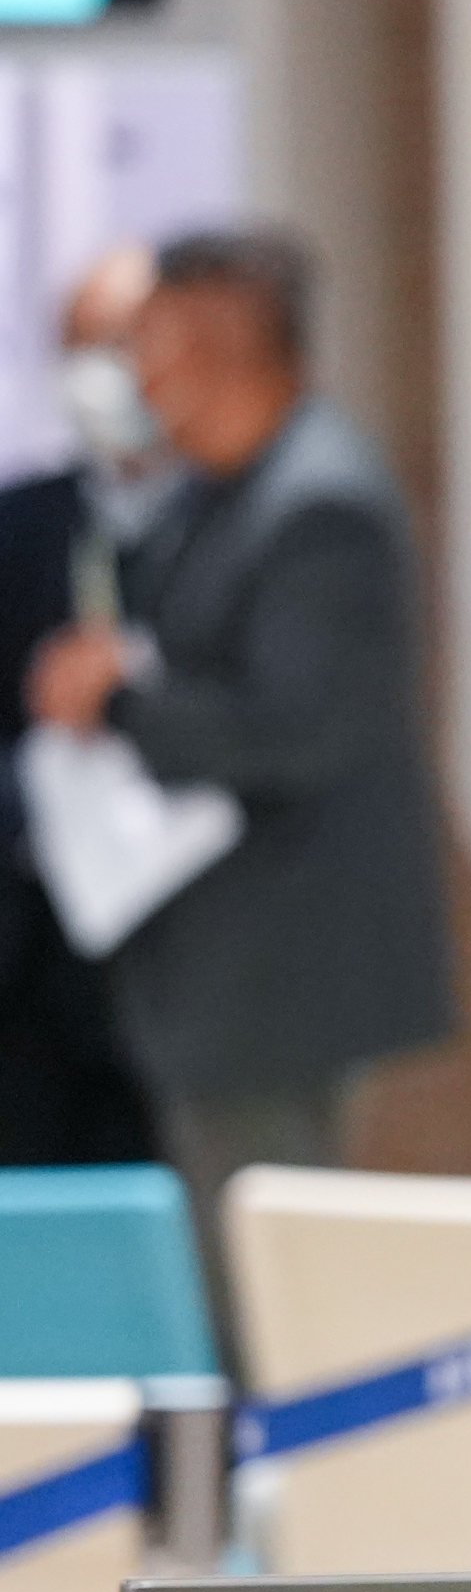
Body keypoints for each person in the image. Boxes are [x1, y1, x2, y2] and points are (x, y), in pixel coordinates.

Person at [17, 228, 453, 1335]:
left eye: (147, 344)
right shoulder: (217, 492)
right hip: (207, 975)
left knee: (266, 1289)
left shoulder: (319, 502)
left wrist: (119, 704)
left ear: (212, 346)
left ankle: (266, 1449)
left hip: (277, 978)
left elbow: (300, 728)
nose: (133, 374)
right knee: (220, 1276)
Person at [0, 245, 170, 1165]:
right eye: (77, 350)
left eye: (120, 344)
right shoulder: (20, 524)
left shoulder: (239, 524)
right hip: (35, 951)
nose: (100, 375)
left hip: (188, 945)